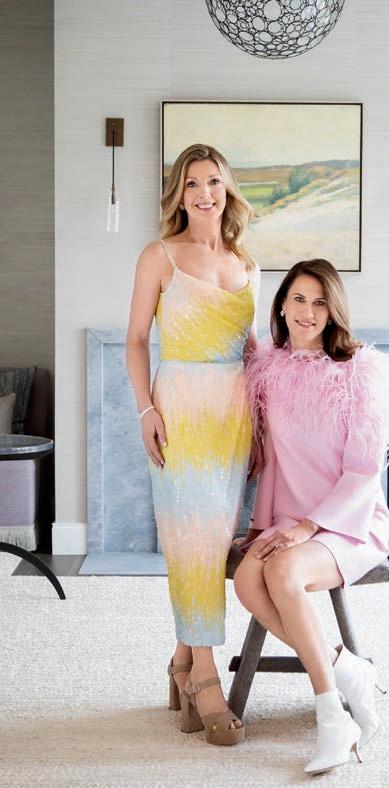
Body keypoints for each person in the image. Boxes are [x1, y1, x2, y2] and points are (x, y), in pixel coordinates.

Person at [233, 259, 389, 774]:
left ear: (333, 312)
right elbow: (272, 460)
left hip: (349, 522)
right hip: (291, 521)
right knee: (247, 579)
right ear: (281, 305)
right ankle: (343, 666)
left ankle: (331, 715)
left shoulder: (360, 373)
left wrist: (309, 526)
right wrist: (261, 526)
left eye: (319, 302)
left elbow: (362, 471)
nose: (307, 312)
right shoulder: (268, 371)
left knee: (283, 571)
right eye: (299, 299)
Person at [126, 143, 259, 746]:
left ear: (228, 189)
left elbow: (252, 352)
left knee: (212, 540)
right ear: (179, 194)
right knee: (193, 542)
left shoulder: (247, 264)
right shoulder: (159, 256)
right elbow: (136, 340)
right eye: (192, 184)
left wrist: (264, 424)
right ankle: (205, 677)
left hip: (234, 417)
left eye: (214, 182)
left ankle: (181, 662)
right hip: (178, 409)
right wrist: (146, 410)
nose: (205, 194)